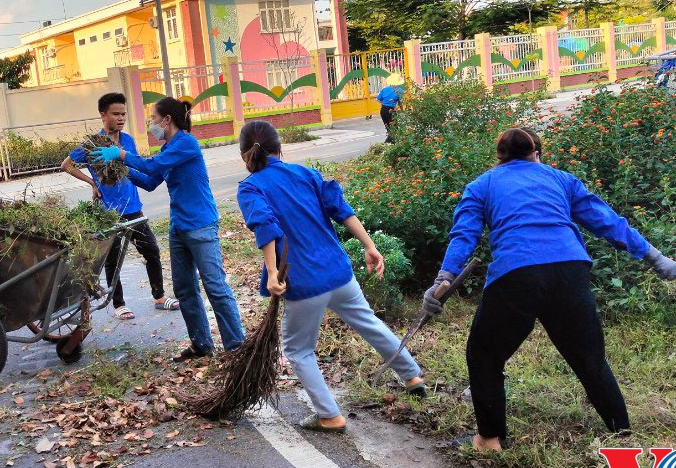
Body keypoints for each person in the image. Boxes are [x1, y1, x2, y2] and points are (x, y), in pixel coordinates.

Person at [424, 128, 676, 452]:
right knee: (590, 359)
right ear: (537, 153)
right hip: (569, 270)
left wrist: (442, 279)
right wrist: (655, 257)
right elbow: (607, 222)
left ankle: (489, 439)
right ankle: (623, 433)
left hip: (517, 274)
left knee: (485, 355)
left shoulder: (482, 185)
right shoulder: (562, 180)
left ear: (499, 157)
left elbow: (464, 236)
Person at [235, 121, 429, 433]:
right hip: (338, 272)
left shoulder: (251, 187)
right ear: (279, 148)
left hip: (302, 281)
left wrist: (272, 273)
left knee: (298, 350)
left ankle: (329, 415)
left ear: (245, 155)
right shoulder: (306, 174)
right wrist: (370, 246)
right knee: (369, 322)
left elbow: (265, 225)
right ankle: (411, 375)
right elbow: (342, 209)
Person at [91, 97, 245, 361]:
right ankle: (201, 344)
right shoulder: (167, 148)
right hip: (179, 227)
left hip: (201, 225)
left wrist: (121, 154)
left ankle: (237, 347)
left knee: (215, 287)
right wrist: (120, 170)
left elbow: (152, 166)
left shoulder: (186, 143)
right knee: (184, 289)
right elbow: (151, 180)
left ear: (167, 120)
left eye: (153, 119)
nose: (151, 124)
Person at [61, 92, 179, 320]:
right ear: (103, 115)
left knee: (151, 250)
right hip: (108, 212)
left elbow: (134, 167)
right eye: (116, 114)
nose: (121, 118)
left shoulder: (128, 141)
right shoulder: (92, 144)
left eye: (123, 113)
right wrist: (92, 183)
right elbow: (67, 165)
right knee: (113, 260)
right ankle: (119, 304)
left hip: (133, 206)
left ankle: (159, 296)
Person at [376, 73, 405, 144]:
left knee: (388, 127)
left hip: (383, 110)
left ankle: (391, 143)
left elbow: (378, 99)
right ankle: (389, 143)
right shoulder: (400, 90)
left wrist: (384, 103)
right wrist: (402, 110)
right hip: (391, 110)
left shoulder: (384, 89)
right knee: (394, 128)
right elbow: (400, 103)